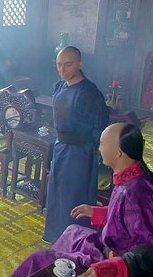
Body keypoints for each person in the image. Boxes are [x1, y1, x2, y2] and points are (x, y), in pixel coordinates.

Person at [0, 122, 153, 277]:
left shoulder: (139, 192)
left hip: (117, 266)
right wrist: (96, 212)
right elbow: (127, 216)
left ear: (118, 153)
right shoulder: (130, 176)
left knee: (39, 259)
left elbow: (152, 250)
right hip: (109, 246)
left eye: (103, 144)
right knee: (73, 231)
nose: (99, 148)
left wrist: (112, 269)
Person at [44, 46, 110, 243]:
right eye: (59, 65)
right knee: (57, 194)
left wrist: (96, 152)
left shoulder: (89, 93)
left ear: (80, 64)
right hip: (61, 148)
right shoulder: (59, 86)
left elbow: (99, 126)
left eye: (68, 65)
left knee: (74, 197)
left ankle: (75, 241)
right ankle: (55, 236)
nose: (62, 70)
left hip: (80, 153)